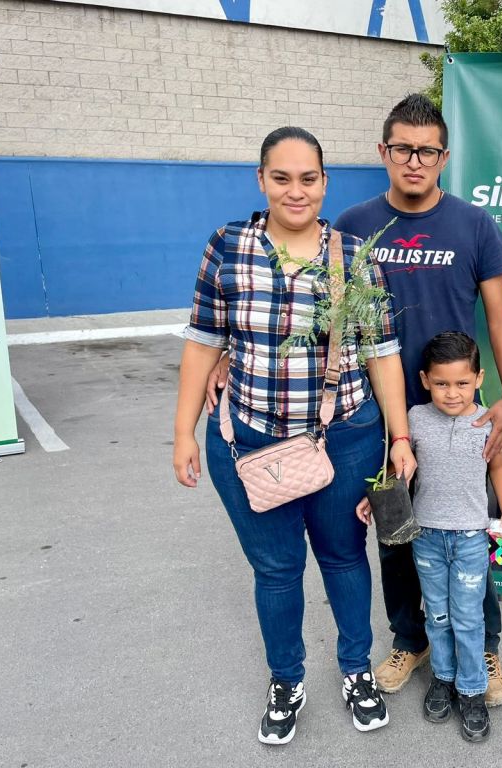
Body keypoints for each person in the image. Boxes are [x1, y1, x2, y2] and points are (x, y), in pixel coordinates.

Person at [207, 94, 502, 705]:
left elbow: (501, 317)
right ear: (383, 151)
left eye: (427, 150)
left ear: (444, 157)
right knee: (397, 534)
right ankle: (411, 640)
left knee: (467, 529)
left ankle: (485, 646)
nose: (414, 160)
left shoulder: (473, 224)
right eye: (402, 147)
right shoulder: (348, 228)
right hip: (377, 418)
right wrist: (229, 349)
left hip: (457, 413)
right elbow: (281, 299)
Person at [173, 126, 415, 746]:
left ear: (324, 183)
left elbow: (383, 353)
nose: (295, 190)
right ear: (261, 180)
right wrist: (182, 433)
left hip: (347, 436)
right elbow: (204, 340)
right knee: (276, 571)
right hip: (250, 440)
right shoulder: (227, 247)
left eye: (308, 178)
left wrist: (400, 439)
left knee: (342, 557)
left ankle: (356, 670)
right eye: (281, 177)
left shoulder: (354, 254)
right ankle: (286, 680)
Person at [356, 332, 502, 742]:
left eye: (462, 383)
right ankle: (442, 678)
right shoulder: (415, 420)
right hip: (426, 538)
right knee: (439, 614)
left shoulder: (487, 422)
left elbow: (498, 469)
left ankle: (473, 689)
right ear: (425, 380)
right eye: (442, 383)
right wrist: (378, 497)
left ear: (479, 379)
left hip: (470, 540)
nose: (452, 393)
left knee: (468, 616)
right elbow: (402, 469)